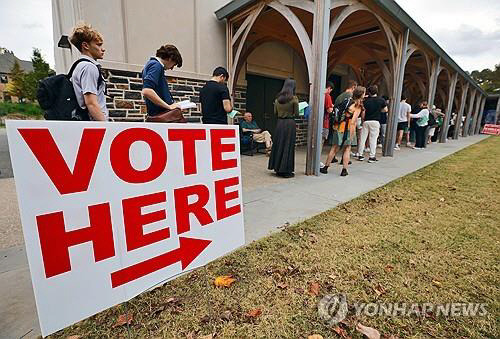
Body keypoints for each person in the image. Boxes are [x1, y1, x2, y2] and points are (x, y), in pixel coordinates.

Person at [321, 86, 366, 176]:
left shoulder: (348, 100)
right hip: (348, 128)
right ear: (361, 94)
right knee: (347, 149)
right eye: (364, 93)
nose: (365, 95)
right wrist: (352, 135)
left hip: (339, 127)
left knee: (334, 148)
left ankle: (326, 167)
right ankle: (344, 170)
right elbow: (353, 122)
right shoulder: (358, 106)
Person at [69, 23, 108, 121]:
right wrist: (107, 127)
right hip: (95, 124)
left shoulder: (79, 66)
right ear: (85, 45)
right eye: (99, 45)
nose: (103, 49)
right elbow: (91, 103)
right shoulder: (89, 67)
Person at [141, 44, 183, 122]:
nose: (172, 68)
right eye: (174, 64)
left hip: (157, 114)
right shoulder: (156, 65)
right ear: (170, 58)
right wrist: (169, 107)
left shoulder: (151, 64)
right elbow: (147, 91)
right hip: (161, 114)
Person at [268, 78, 299, 178]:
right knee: (288, 146)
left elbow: (275, 113)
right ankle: (286, 171)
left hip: (279, 124)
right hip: (290, 124)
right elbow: (297, 113)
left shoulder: (277, 100)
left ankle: (277, 168)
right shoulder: (294, 99)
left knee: (279, 145)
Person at [323, 80, 358, 165]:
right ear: (353, 87)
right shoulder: (352, 97)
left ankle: (327, 165)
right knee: (347, 147)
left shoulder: (339, 96)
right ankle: (344, 162)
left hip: (338, 123)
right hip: (348, 124)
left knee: (335, 146)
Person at [358, 85, 387, 163]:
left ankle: (360, 155)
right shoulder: (381, 100)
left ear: (369, 92)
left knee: (362, 138)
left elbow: (363, 111)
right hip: (375, 121)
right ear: (376, 91)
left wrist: (362, 120)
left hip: (366, 121)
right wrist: (378, 111)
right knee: (373, 139)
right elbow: (385, 110)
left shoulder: (365, 100)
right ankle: (371, 156)